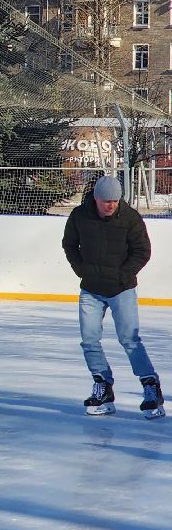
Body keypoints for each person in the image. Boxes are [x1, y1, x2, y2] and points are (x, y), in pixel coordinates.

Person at [62, 174, 163, 419]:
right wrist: (82, 270)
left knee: (129, 339)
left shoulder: (130, 218)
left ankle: (150, 386)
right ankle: (103, 387)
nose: (111, 205)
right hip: (91, 289)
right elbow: (69, 245)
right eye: (106, 201)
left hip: (122, 289)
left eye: (115, 201)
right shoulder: (79, 216)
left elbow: (142, 251)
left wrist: (123, 275)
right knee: (89, 340)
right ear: (96, 198)